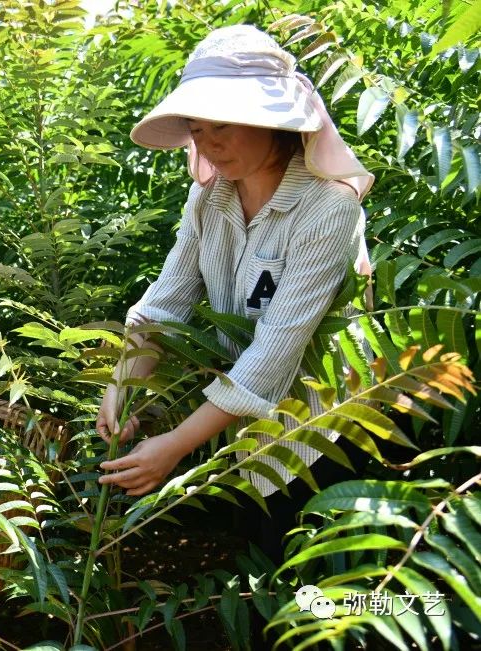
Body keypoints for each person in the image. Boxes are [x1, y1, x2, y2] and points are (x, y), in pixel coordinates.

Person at [95, 25, 374, 567]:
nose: (208, 144)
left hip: (324, 432)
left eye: (222, 124)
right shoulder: (209, 201)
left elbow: (275, 352)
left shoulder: (328, 208)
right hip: (245, 437)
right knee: (259, 580)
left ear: (275, 123)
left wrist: (174, 446)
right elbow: (165, 303)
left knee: (322, 589)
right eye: (198, 129)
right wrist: (123, 385)